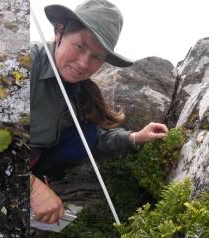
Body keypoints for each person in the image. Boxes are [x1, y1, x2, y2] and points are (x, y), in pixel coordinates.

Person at [30, 0, 169, 224]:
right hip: (6, 163)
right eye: (80, 46)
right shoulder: (25, 65)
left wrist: (134, 137)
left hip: (38, 162)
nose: (84, 63)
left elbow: (97, 137)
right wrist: (32, 189)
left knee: (87, 134)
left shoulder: (78, 89)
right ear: (59, 32)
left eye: (97, 57)